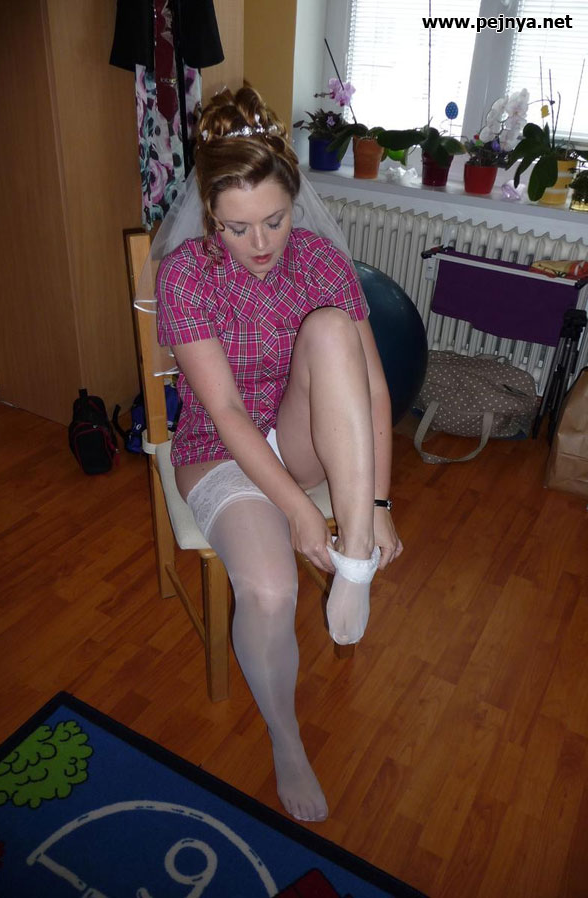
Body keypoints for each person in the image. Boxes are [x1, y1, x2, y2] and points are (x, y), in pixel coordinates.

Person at [154, 85, 403, 823]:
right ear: (209, 215)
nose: (260, 243)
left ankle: (354, 559)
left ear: (296, 201)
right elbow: (227, 413)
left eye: (275, 219)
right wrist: (296, 511)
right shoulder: (185, 274)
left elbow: (374, 390)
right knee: (268, 591)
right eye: (237, 228)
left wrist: (379, 505)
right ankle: (285, 738)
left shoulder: (321, 260)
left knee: (330, 330)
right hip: (218, 446)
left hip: (302, 436)